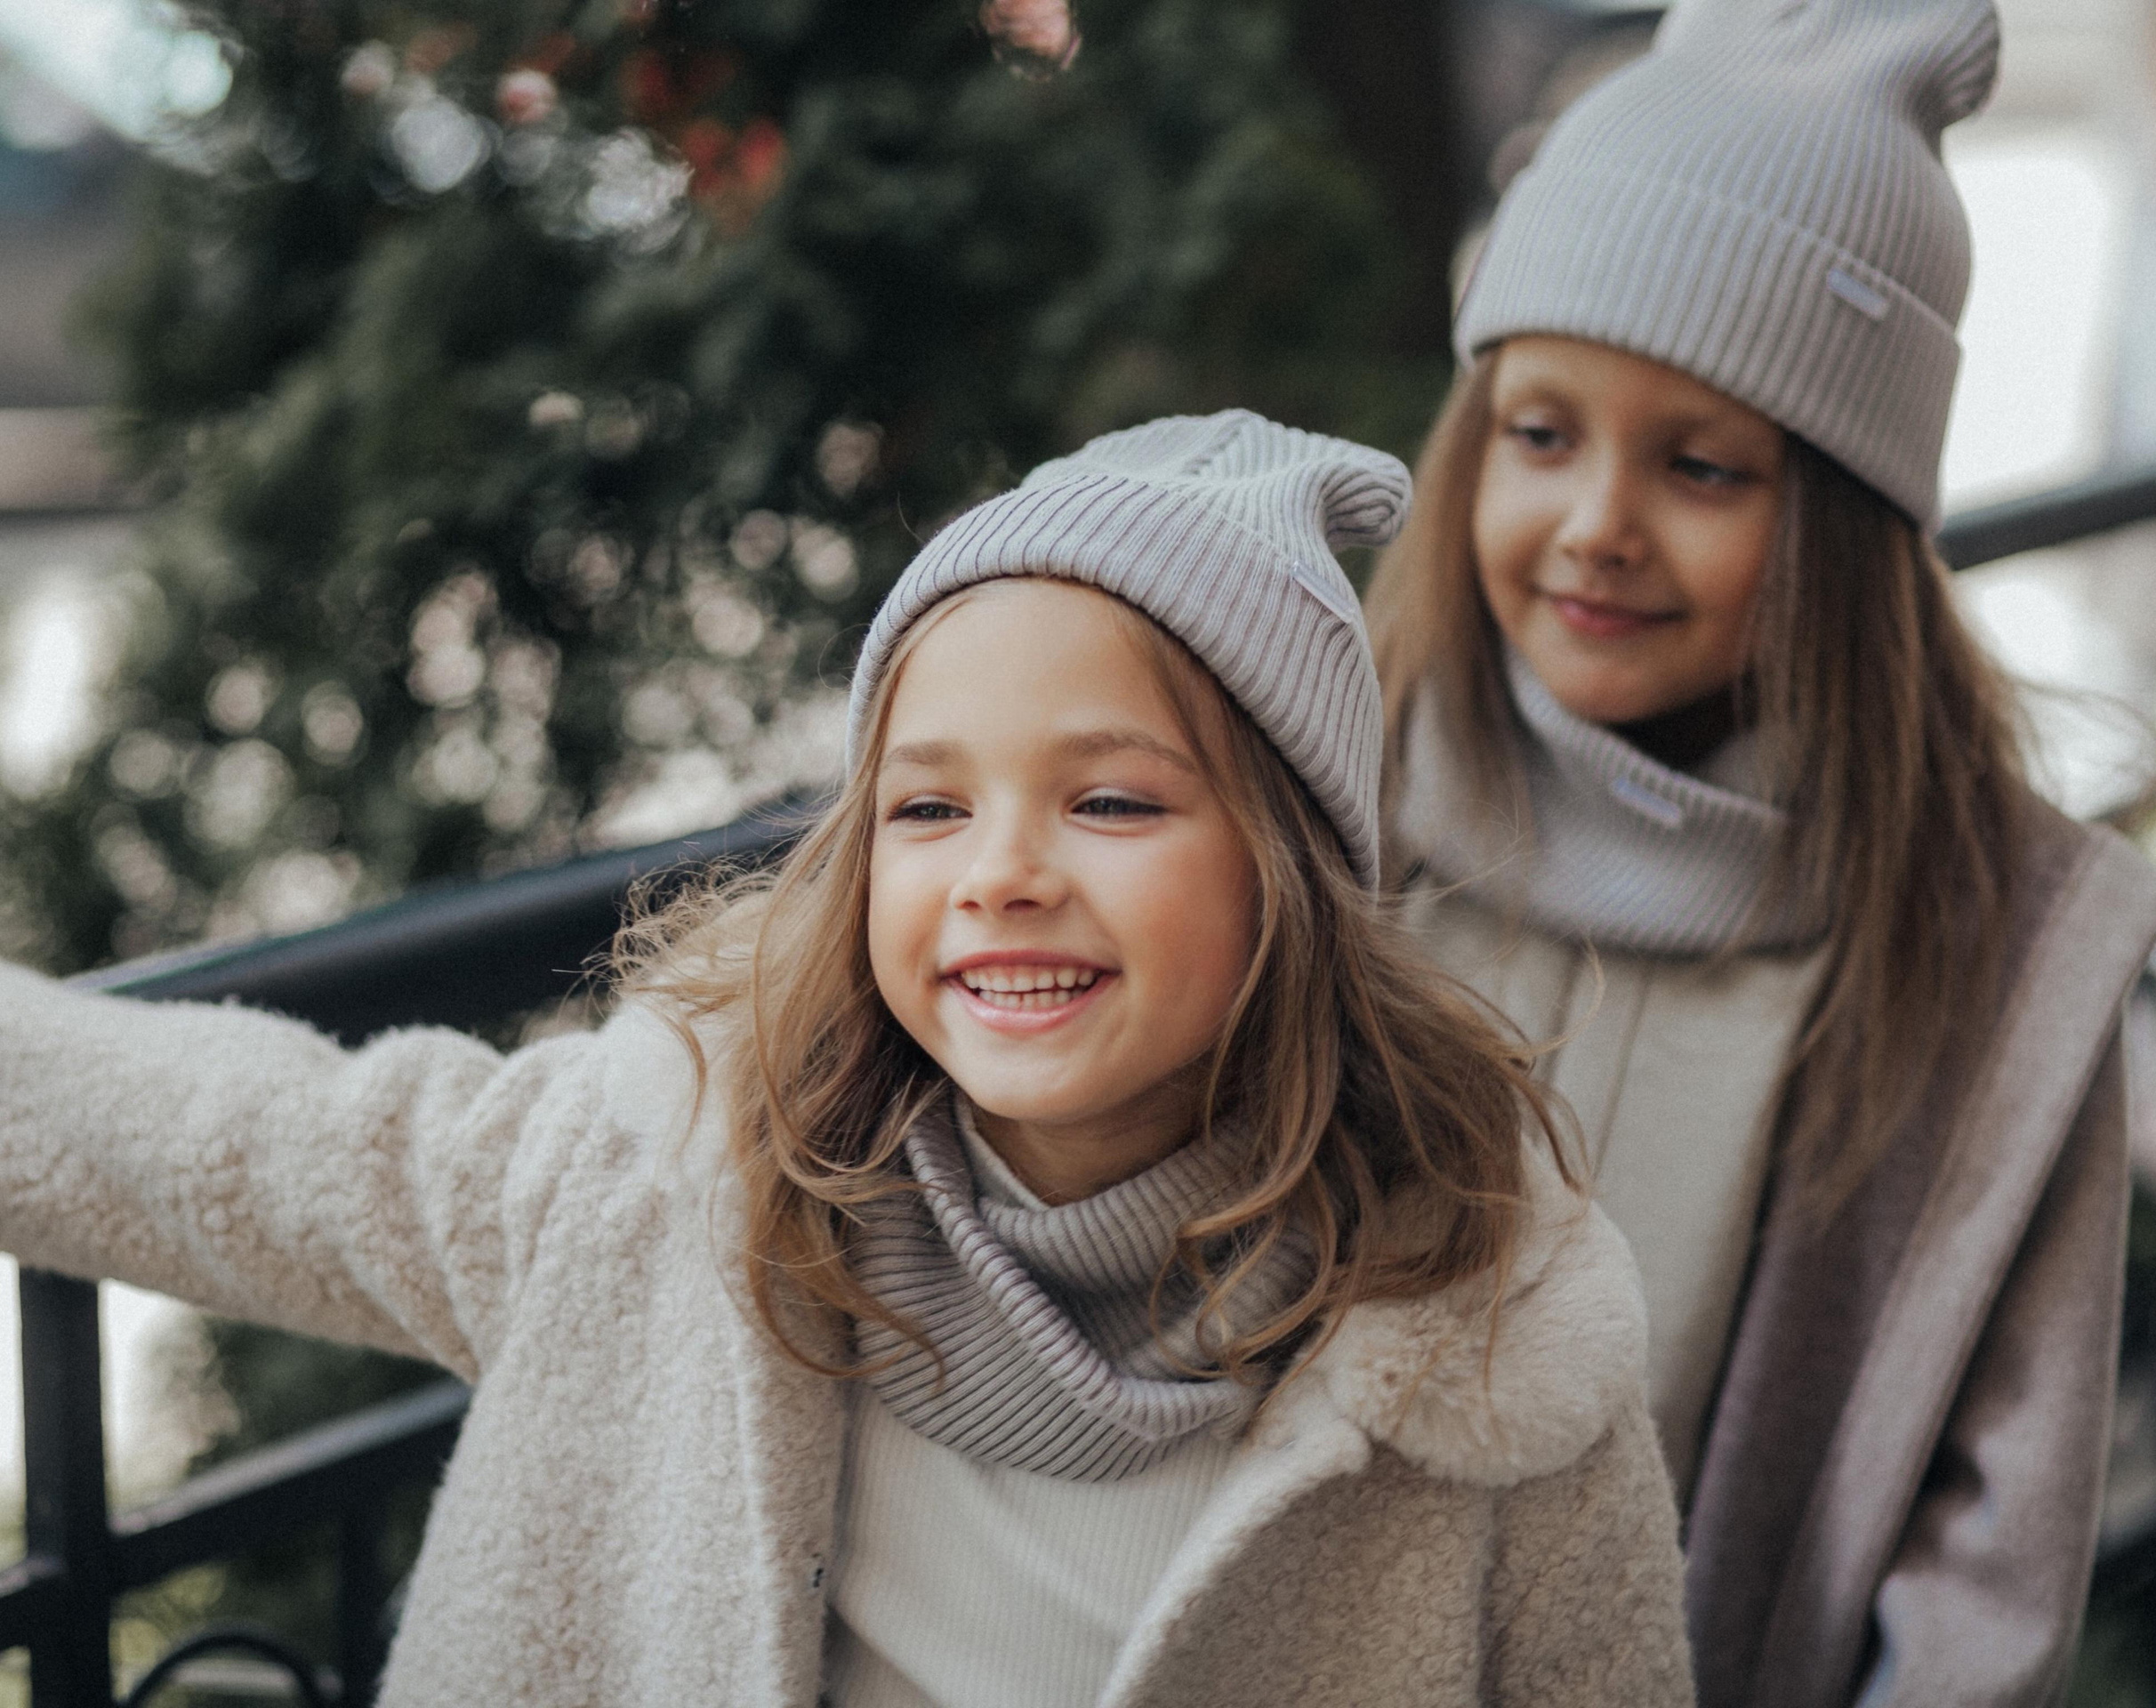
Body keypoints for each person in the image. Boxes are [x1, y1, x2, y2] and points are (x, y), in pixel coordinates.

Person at [0, 412, 1693, 1707]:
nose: (1001, 870)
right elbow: (272, 1144)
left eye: (1110, 800)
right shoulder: (674, 1188)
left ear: (1295, 881)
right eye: (929, 807)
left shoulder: (1492, 1368)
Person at [1364, 2, 2156, 1704]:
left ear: (1843, 509)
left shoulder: (1996, 965)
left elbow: (1990, 1558)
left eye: (1702, 465)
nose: (1598, 521)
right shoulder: (1335, 804)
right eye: (1539, 432)